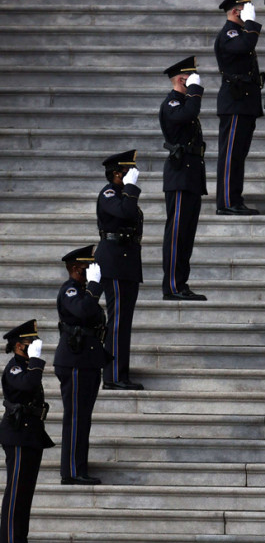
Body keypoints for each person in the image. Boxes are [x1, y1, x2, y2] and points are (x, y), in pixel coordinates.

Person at [0, 321, 54, 543]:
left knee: (25, 493)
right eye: (30, 343)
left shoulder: (26, 366)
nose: (34, 346)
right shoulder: (15, 368)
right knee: (16, 492)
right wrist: (36, 361)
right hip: (18, 434)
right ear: (19, 346)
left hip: (30, 433)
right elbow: (28, 384)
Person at [54, 245, 108, 485]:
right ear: (76, 268)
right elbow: (84, 311)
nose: (92, 270)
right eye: (88, 266)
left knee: (83, 418)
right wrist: (95, 287)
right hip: (74, 362)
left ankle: (78, 468)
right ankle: (72, 472)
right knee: (76, 417)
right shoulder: (70, 291)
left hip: (86, 361)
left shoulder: (83, 291)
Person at [160, 55, 208, 301]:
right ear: (182, 79)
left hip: (190, 176)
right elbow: (189, 113)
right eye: (191, 77)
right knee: (177, 234)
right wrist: (196, 90)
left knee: (186, 235)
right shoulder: (172, 104)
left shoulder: (183, 103)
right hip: (179, 176)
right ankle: (172, 286)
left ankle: (181, 282)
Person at [96, 149, 144, 390]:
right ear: (117, 173)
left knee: (124, 321)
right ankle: (113, 376)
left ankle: (120, 373)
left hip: (125, 262)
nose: (132, 174)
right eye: (128, 170)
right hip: (114, 262)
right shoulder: (109, 193)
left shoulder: (121, 194)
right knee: (117, 321)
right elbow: (125, 212)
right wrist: (131, 189)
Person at [215, 0, 262, 216]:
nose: (250, 14)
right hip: (234, 102)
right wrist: (251, 25)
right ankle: (226, 201)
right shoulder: (230, 34)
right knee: (231, 154)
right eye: (246, 10)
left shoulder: (238, 33)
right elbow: (245, 46)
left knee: (239, 154)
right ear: (236, 11)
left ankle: (235, 197)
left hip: (243, 102)